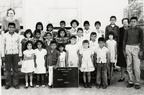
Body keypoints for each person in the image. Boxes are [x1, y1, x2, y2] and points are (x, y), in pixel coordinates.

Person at [123, 17, 143, 89]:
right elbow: (124, 40)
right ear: (130, 22)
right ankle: (130, 81)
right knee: (129, 65)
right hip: (128, 47)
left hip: (136, 48)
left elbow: (142, 40)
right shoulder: (127, 30)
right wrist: (124, 50)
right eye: (131, 21)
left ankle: (137, 82)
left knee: (136, 66)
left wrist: (141, 50)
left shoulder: (139, 30)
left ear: (137, 22)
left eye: (134, 21)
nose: (133, 22)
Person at [2, 22, 22, 89]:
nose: (11, 28)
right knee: (7, 70)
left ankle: (15, 84)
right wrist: (3, 55)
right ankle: (8, 84)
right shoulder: (5, 35)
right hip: (7, 54)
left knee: (15, 70)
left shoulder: (17, 35)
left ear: (15, 28)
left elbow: (19, 45)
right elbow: (2, 46)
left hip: (15, 54)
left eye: (13, 27)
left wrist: (20, 55)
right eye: (10, 27)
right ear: (8, 28)